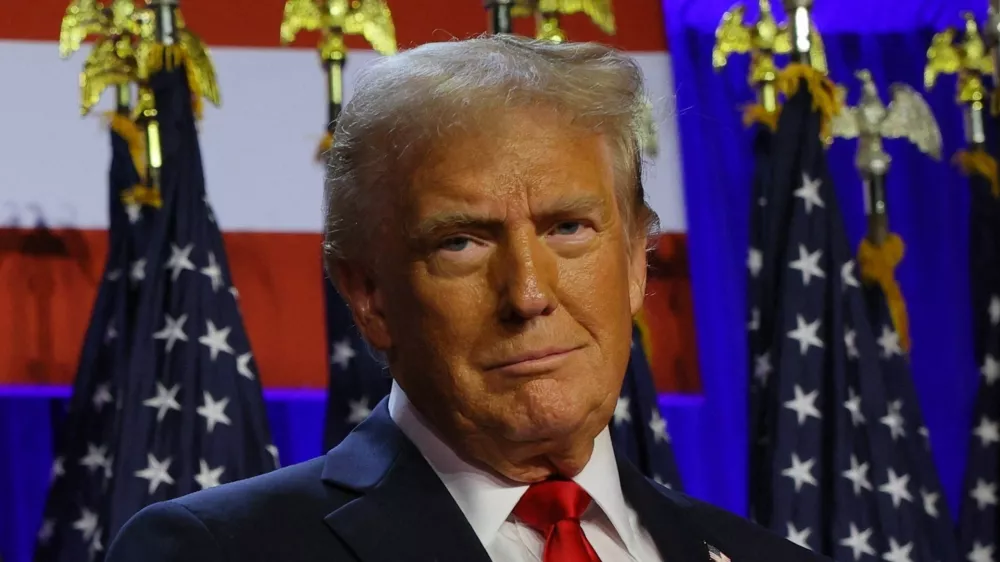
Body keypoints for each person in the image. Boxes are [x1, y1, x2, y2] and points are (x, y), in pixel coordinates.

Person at [106, 35, 827, 562]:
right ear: (367, 296)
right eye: (462, 243)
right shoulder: (219, 552)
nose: (529, 294)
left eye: (569, 228)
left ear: (638, 261)